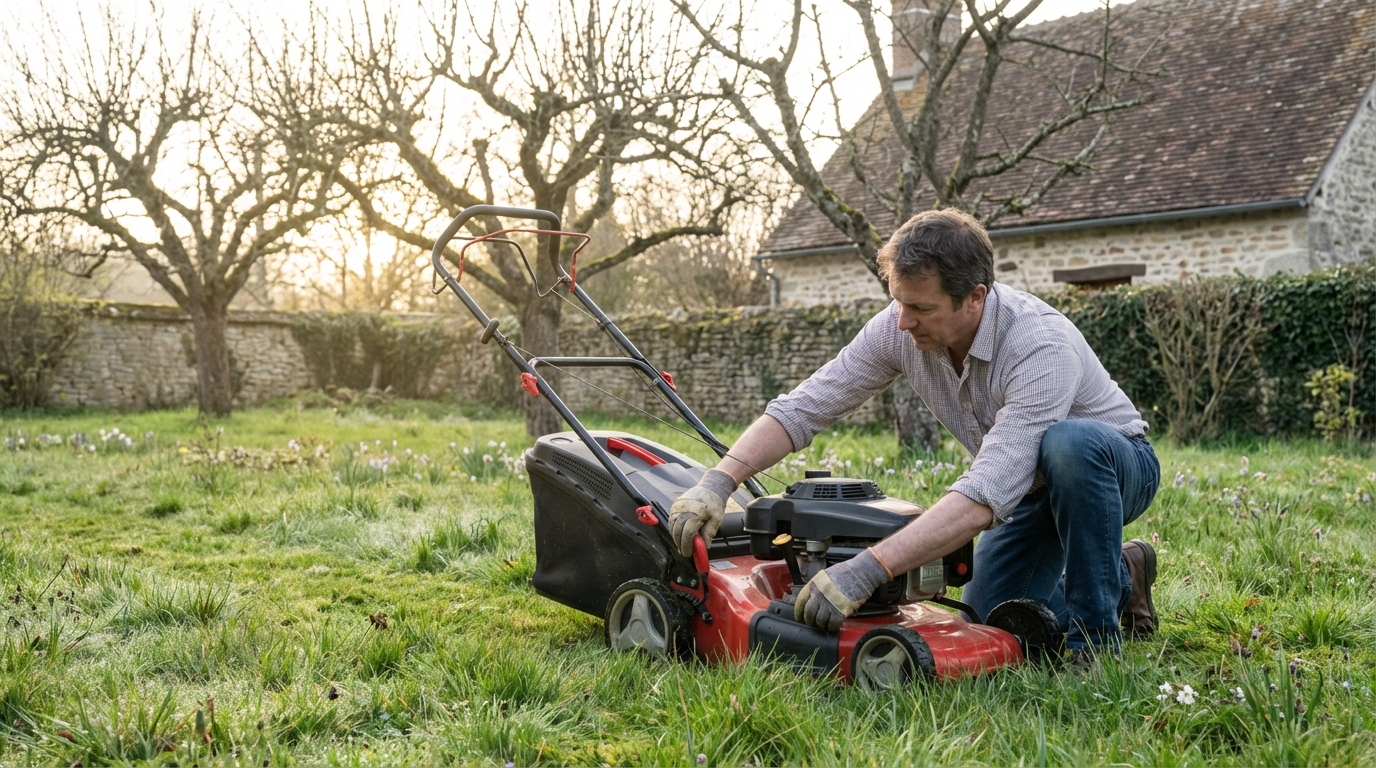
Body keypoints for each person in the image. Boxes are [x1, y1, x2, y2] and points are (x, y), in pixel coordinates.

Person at [669, 208, 1160, 658]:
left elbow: (985, 491)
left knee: (1069, 444)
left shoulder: (1038, 345)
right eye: (898, 302)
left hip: (1110, 470)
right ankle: (1124, 573)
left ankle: (1094, 643)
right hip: (1027, 493)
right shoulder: (900, 325)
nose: (903, 321)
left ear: (975, 298)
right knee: (989, 619)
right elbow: (806, 406)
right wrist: (719, 481)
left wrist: (868, 569)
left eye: (921, 307)